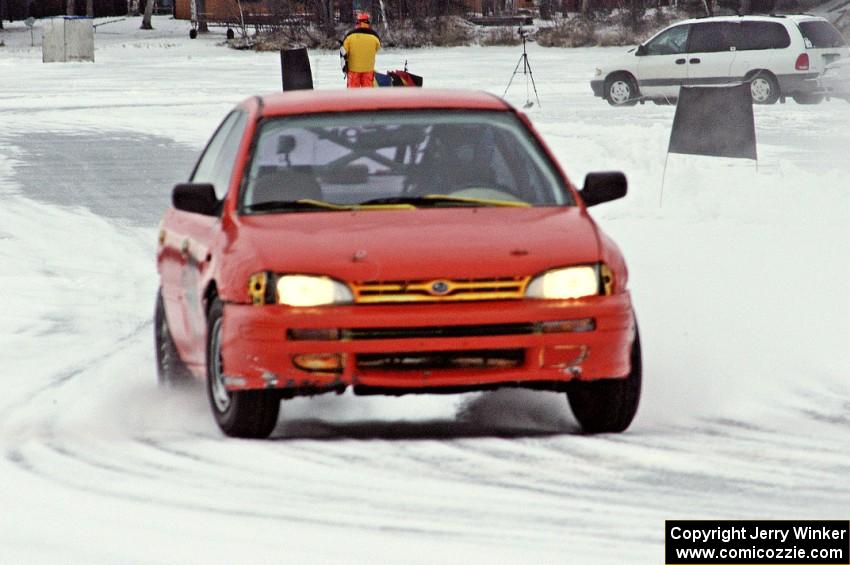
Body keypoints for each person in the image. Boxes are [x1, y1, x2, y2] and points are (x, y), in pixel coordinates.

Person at [341, 12, 381, 88]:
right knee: (367, 93)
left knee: (353, 93)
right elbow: (377, 48)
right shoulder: (374, 36)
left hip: (353, 69)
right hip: (368, 69)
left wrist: (344, 67)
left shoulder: (350, 36)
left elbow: (343, 51)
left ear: (358, 22)